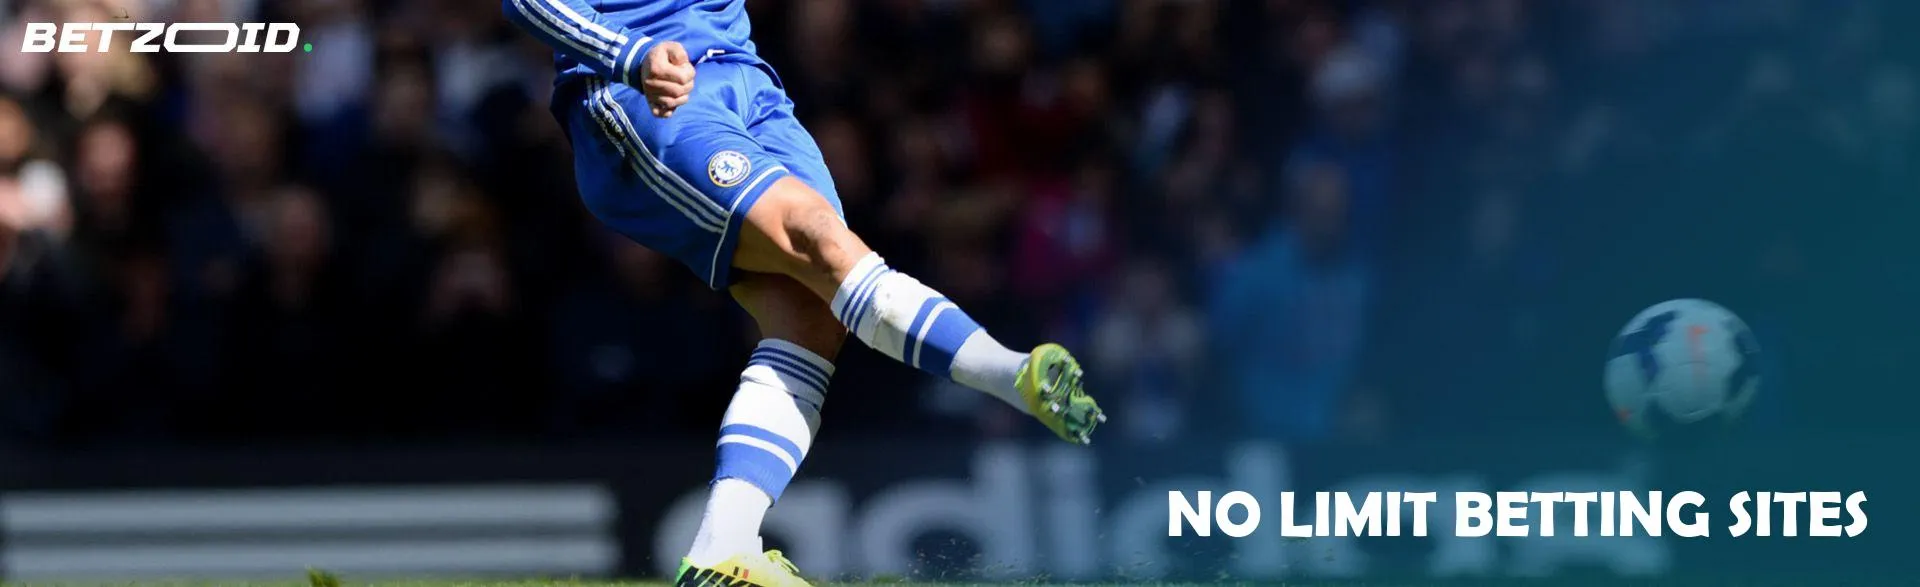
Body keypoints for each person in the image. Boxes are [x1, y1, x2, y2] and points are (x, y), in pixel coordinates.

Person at [501, 2, 1105, 585]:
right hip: (653, 90)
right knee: (819, 239)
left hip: (753, 88)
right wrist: (630, 55)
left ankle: (722, 550)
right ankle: (1013, 376)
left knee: (812, 315)